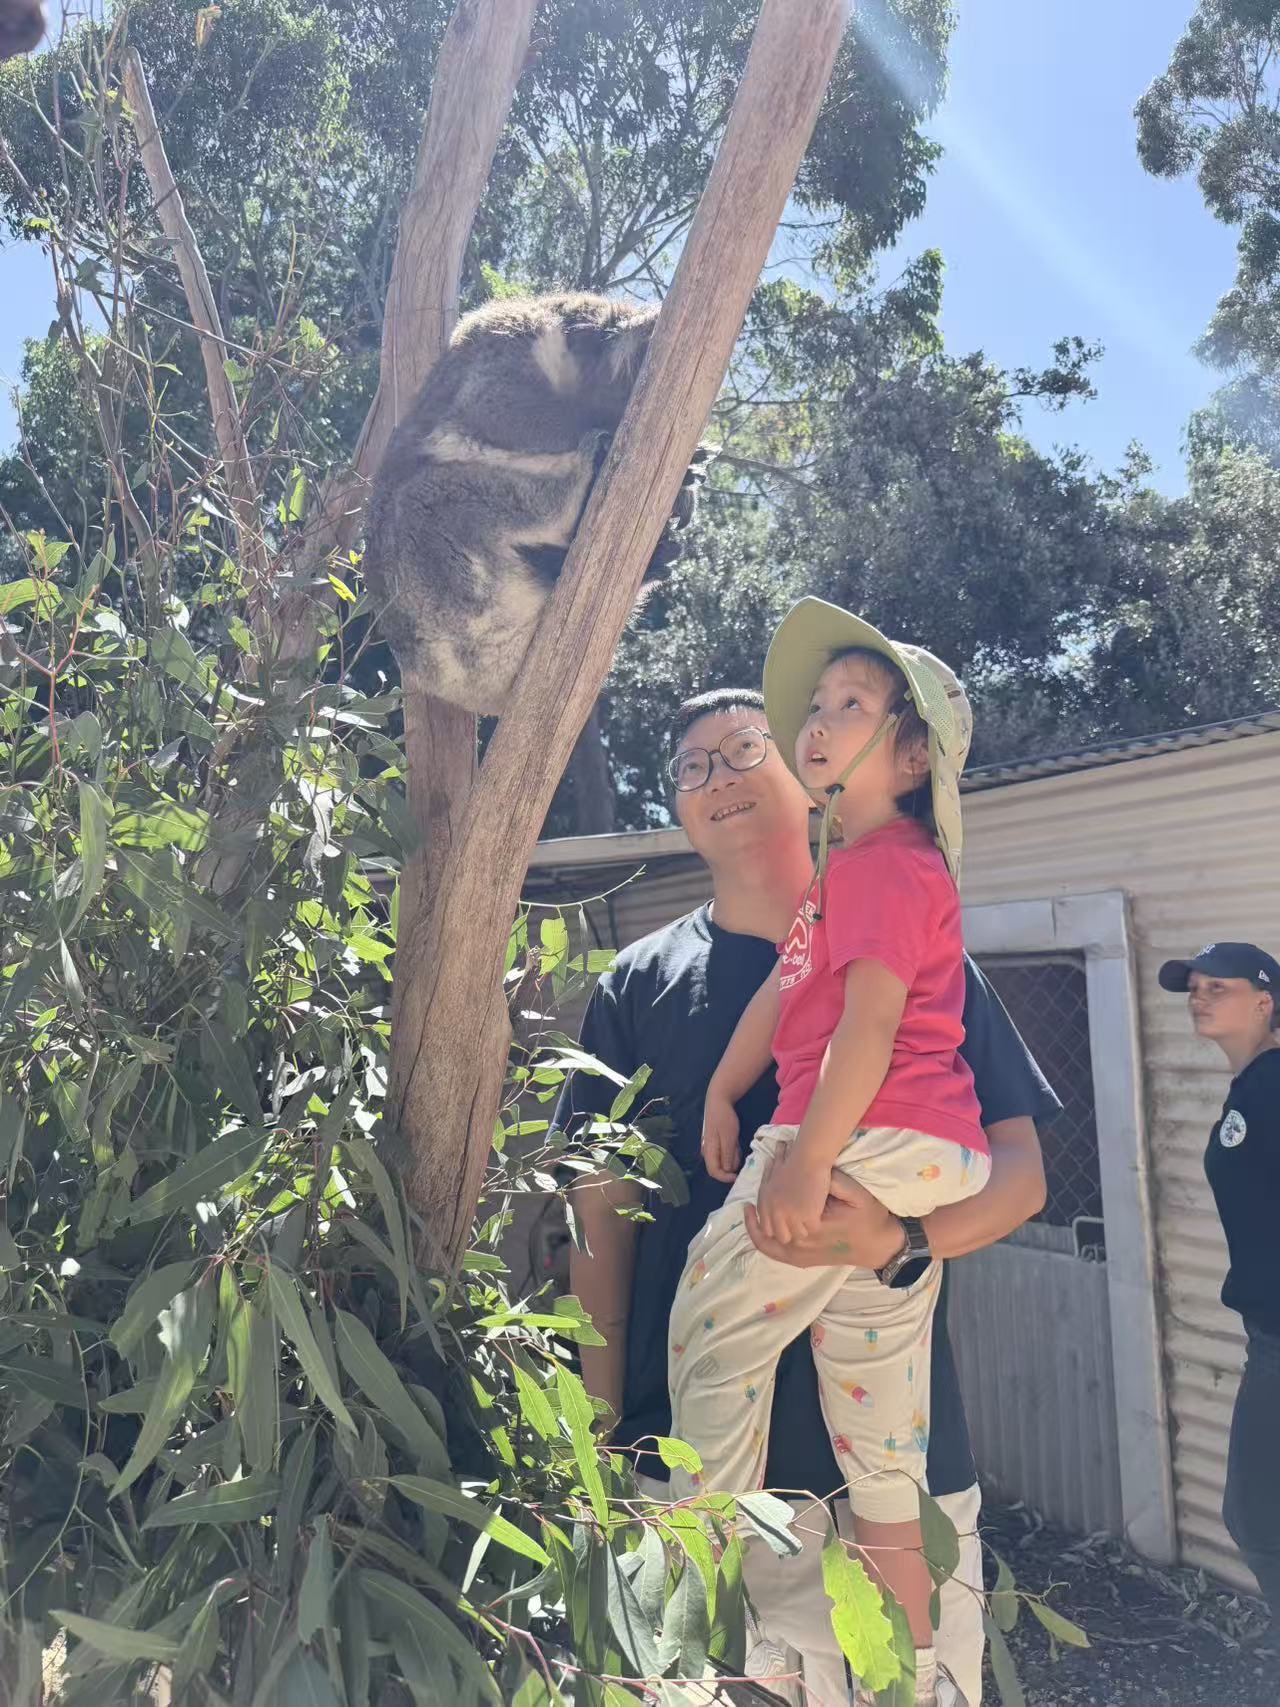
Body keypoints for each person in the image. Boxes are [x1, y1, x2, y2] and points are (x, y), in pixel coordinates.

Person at [558, 682, 1058, 1707]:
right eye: (690, 768)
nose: (716, 779)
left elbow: (1019, 1175)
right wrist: (596, 1439)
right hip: (691, 1475)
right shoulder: (636, 985)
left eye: (745, 749)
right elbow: (596, 1217)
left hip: (890, 1480)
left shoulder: (916, 942)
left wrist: (902, 1239)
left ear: (808, 768)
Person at [667, 604, 987, 1706]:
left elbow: (867, 1023)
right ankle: (913, 1664)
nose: (816, 721)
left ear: (909, 754)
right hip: (917, 1158)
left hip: (858, 1138)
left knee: (708, 1335)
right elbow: (781, 989)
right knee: (879, 1436)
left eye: (850, 704)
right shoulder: (843, 880)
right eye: (813, 705)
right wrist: (720, 1080)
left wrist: (804, 1164)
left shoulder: (889, 867)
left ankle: (686, 1602)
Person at [1159, 941, 1280, 1626]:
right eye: (1194, 988)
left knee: (1257, 1519)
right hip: (1267, 1337)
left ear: (1266, 1002)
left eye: (1219, 988)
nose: (1200, 997)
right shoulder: (1256, 1085)